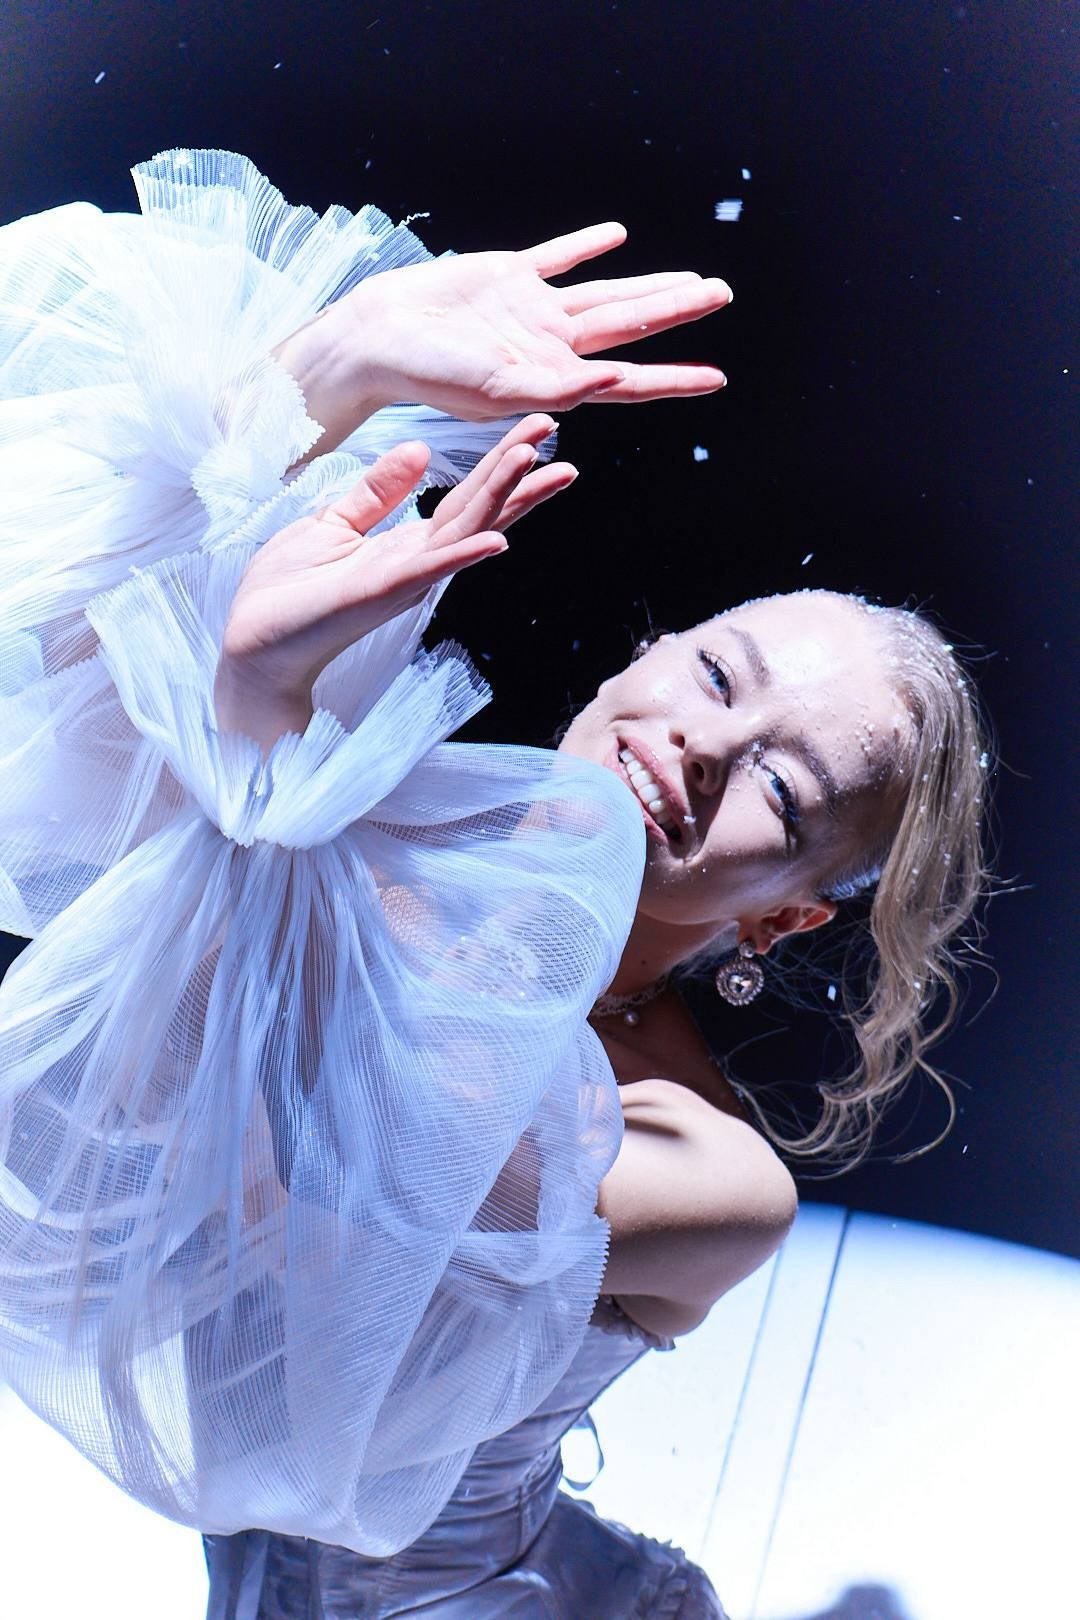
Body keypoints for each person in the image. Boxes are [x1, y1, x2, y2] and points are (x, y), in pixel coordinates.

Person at [0, 151, 988, 1617]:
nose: (704, 744)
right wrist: (330, 370)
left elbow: (363, 1149)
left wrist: (261, 732)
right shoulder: (351, 817)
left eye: (783, 792)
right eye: (716, 675)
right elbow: (57, 681)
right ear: (644, 653)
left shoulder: (715, 1176)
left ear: (784, 916)